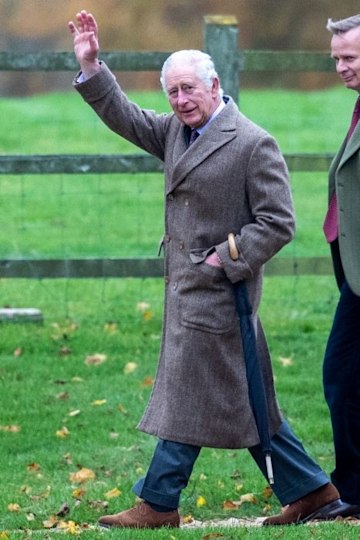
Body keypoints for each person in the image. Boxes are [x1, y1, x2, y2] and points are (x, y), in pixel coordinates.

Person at [68, 10, 347, 528]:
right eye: (172, 92)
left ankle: (158, 502)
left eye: (189, 90)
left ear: (215, 85)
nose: (180, 101)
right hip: (185, 290)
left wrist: (229, 256)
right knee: (245, 399)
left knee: (193, 397)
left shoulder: (251, 142)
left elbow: (279, 221)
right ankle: (312, 489)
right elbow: (126, 116)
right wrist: (92, 67)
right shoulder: (176, 132)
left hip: (222, 293)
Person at [321, 14, 360, 519]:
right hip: (353, 272)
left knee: (343, 373)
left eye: (349, 57)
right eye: (335, 59)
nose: (341, 67)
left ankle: (353, 489)